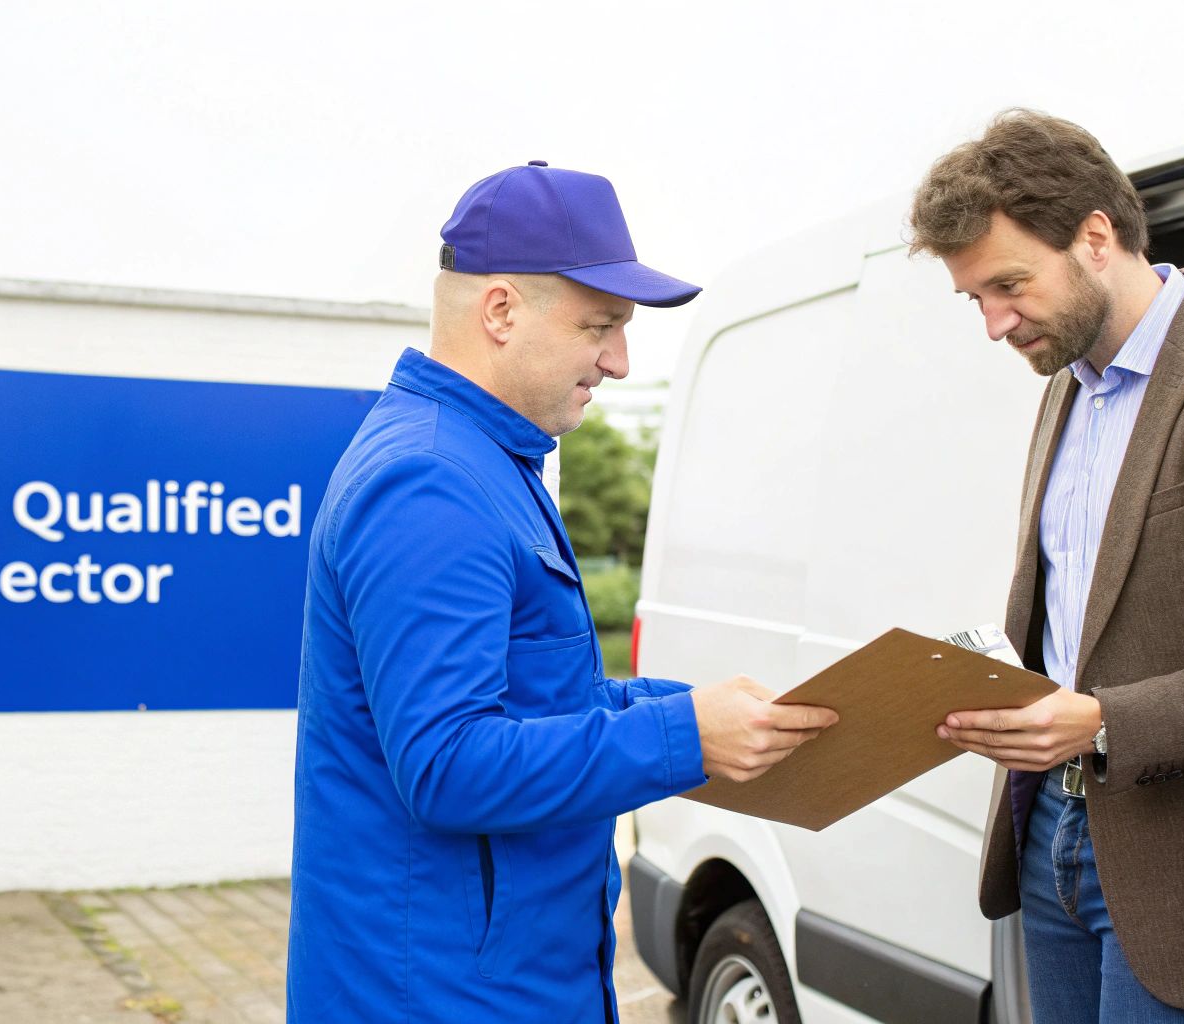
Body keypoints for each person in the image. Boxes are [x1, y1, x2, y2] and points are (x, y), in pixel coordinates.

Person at [285, 161, 838, 1022]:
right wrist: (685, 735)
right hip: (439, 995)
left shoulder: (486, 463)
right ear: (500, 311)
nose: (618, 360)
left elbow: (542, 701)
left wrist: (703, 711)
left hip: (506, 979)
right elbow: (448, 765)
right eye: (601, 325)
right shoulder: (430, 482)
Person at [908, 110, 1184, 1022]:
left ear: (1096, 237)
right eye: (975, 301)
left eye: (1008, 285)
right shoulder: (1065, 386)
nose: (995, 325)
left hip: (1179, 867)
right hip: (1048, 838)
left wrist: (1105, 721)